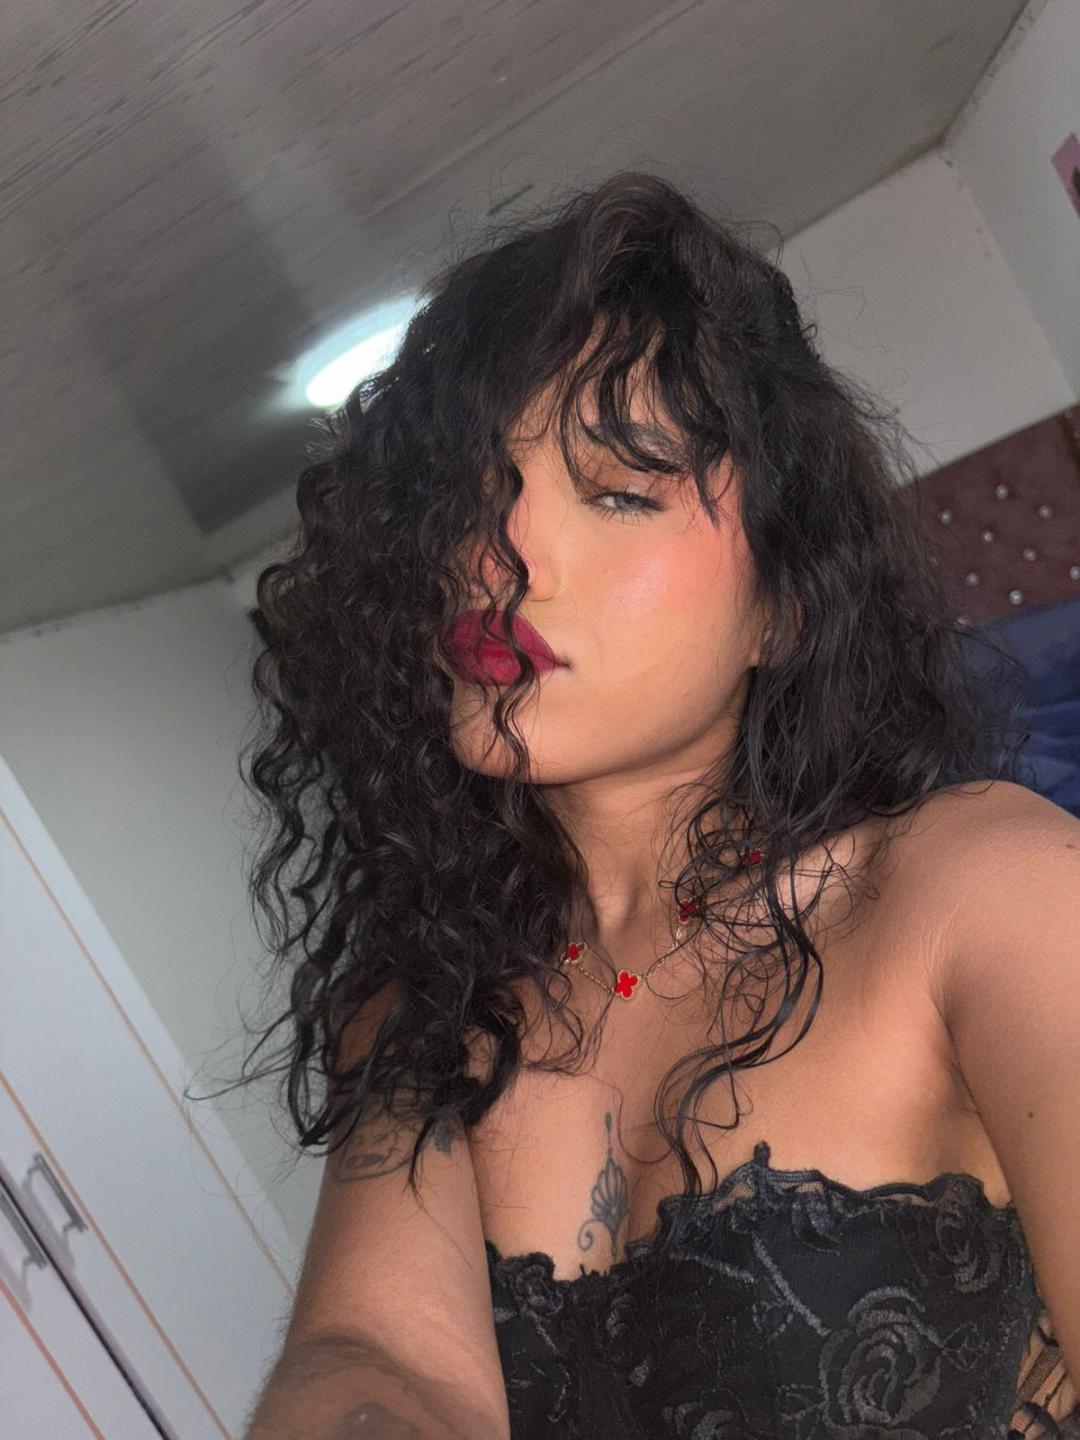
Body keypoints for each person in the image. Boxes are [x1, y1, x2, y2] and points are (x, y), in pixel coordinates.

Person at [235, 172, 1079, 1438]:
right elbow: (381, 1356)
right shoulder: (424, 1010)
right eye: (466, 492)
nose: (499, 557)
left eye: (620, 490)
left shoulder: (985, 890)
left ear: (786, 602)